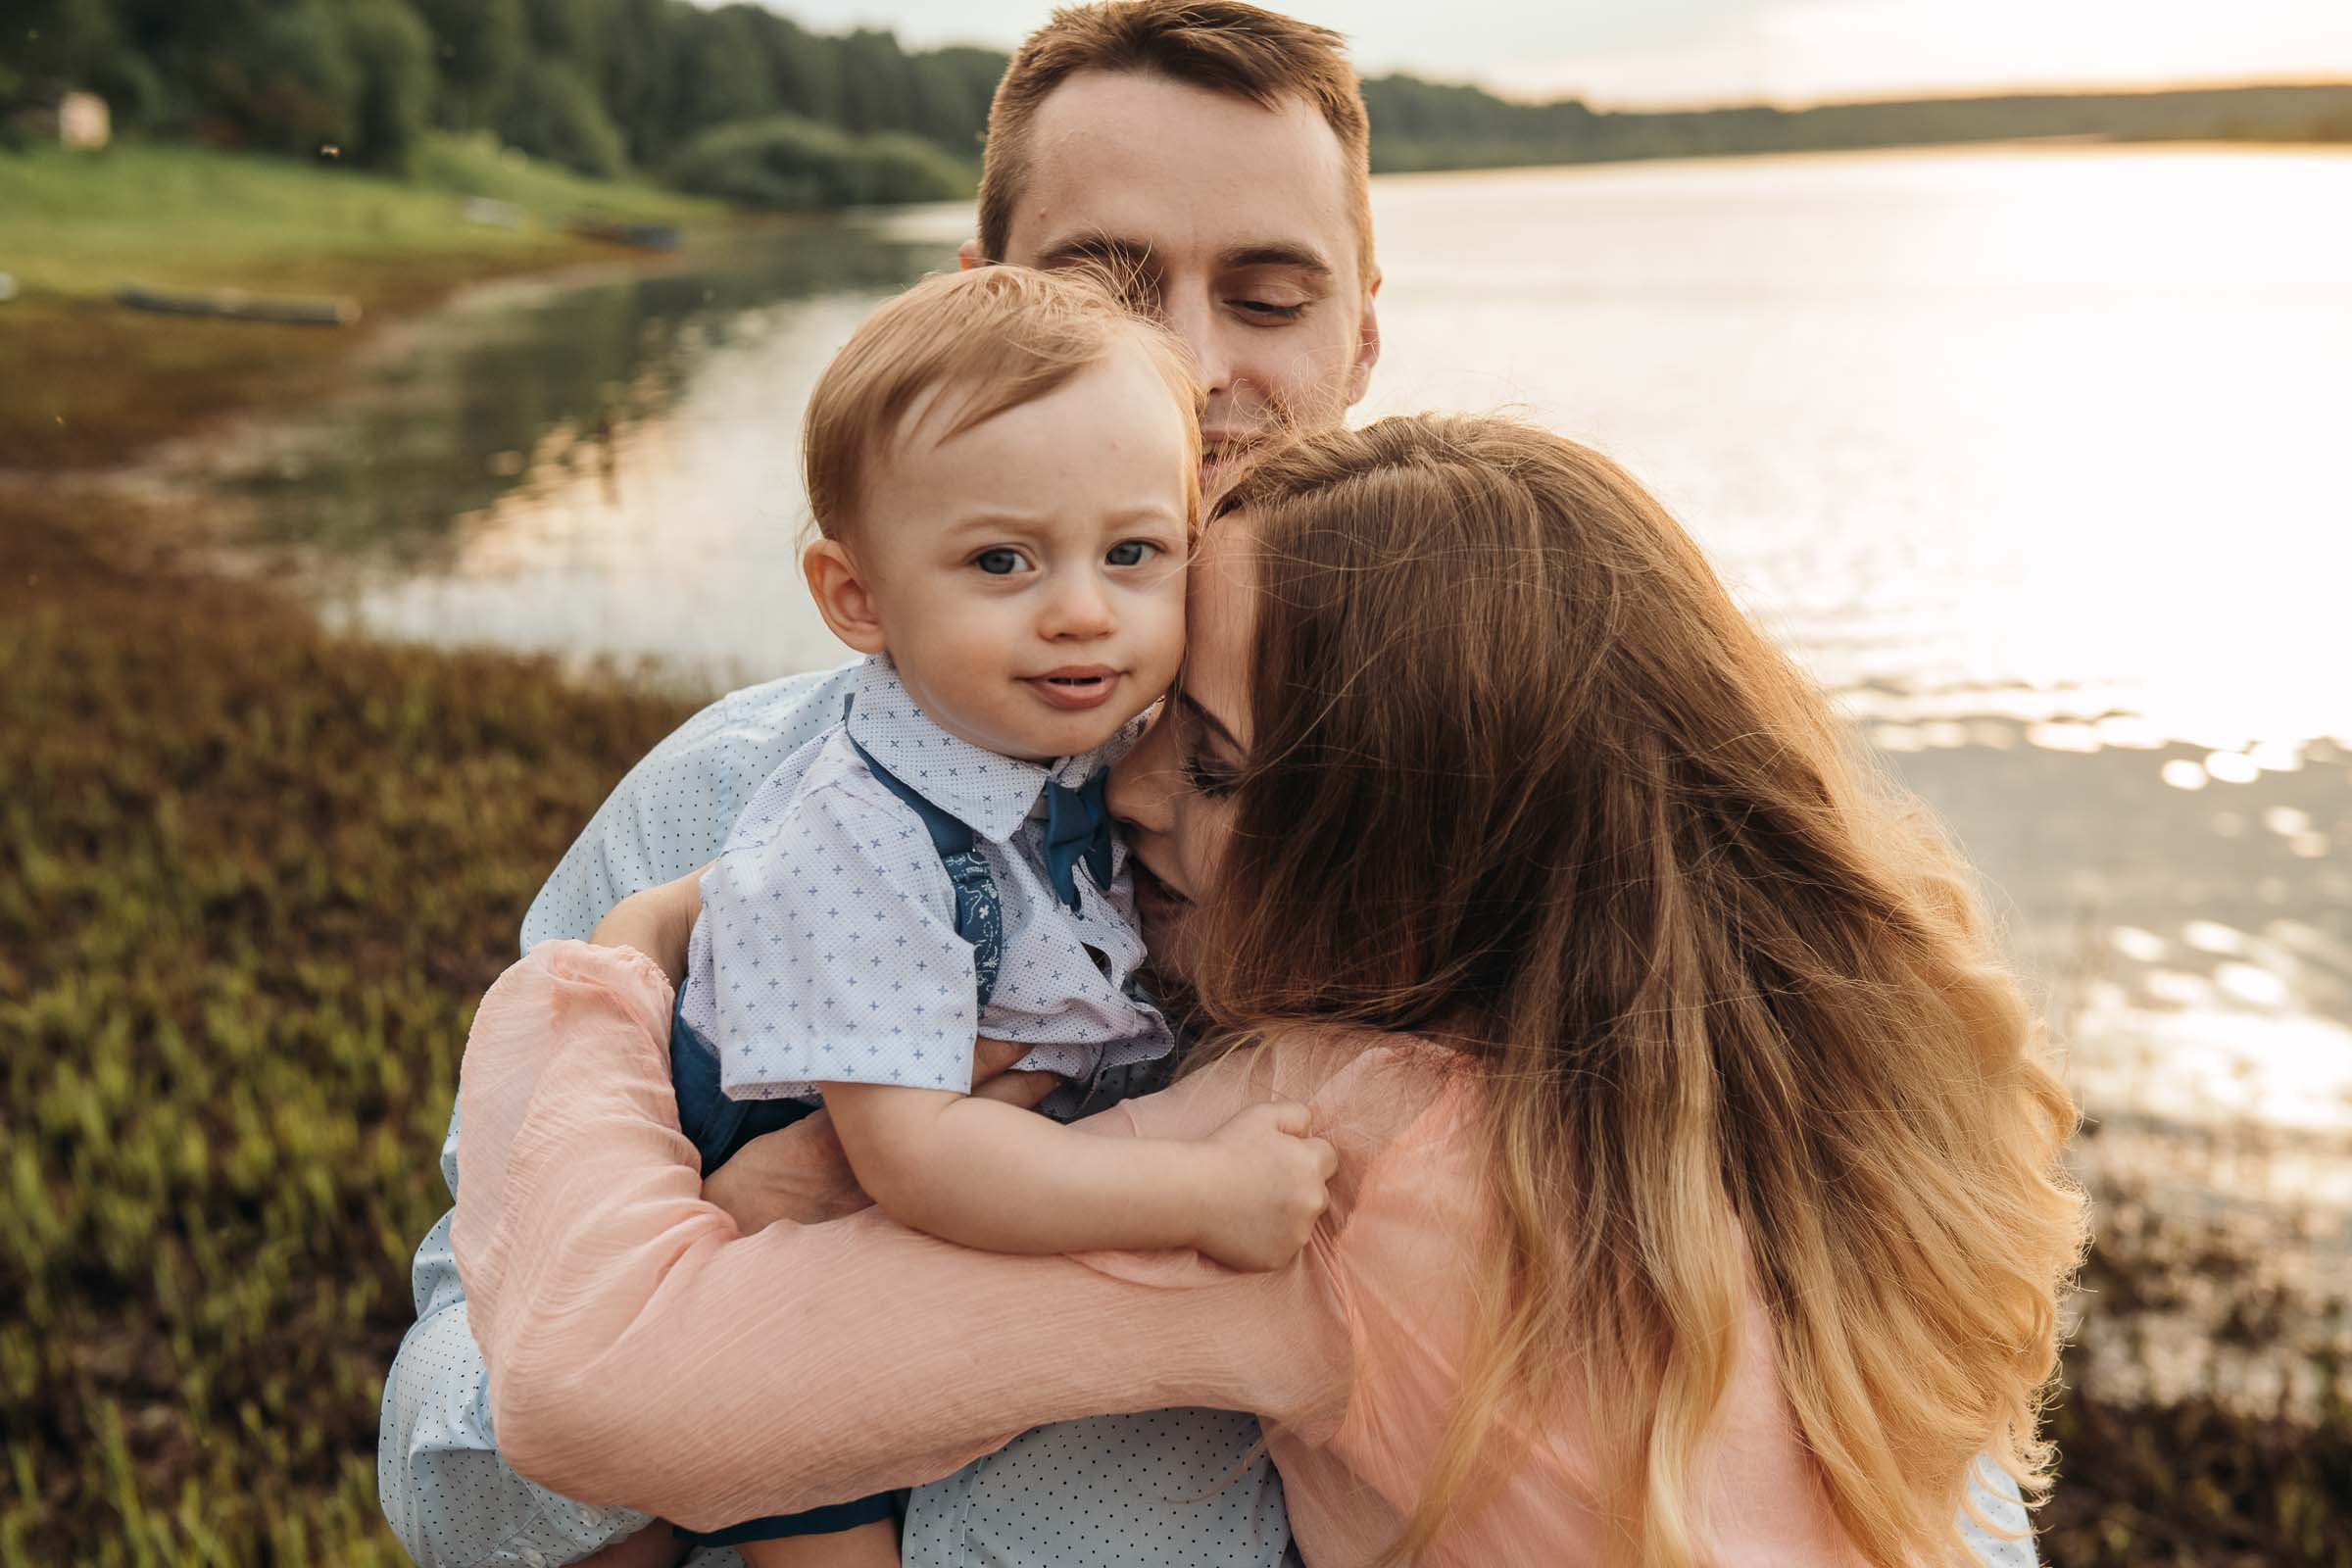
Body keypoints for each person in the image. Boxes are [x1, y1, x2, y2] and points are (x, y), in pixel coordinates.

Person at [449, 414, 2087, 1566]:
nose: (1134, 794)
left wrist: (584, 988)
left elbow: (611, 1392)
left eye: (1217, 770)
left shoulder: (1338, 1161)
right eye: (1155, 724)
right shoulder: (1802, 1094)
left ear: (1422, 843)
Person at [378, 6, 1380, 1565]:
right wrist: (734, 1257)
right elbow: (456, 1449)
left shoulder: (1468, 826)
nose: (1183, 368)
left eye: (1265, 295)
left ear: (1362, 340)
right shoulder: (721, 803)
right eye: (1099, 289)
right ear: (974, 302)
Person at [660, 262, 1345, 1567]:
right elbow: (912, 1161)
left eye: (1134, 552)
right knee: (805, 1464)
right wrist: (1197, 1195)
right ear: (856, 597)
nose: (1083, 609)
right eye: (1001, 560)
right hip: (782, 1260)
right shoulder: (861, 832)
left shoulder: (1081, 729)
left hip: (959, 1239)